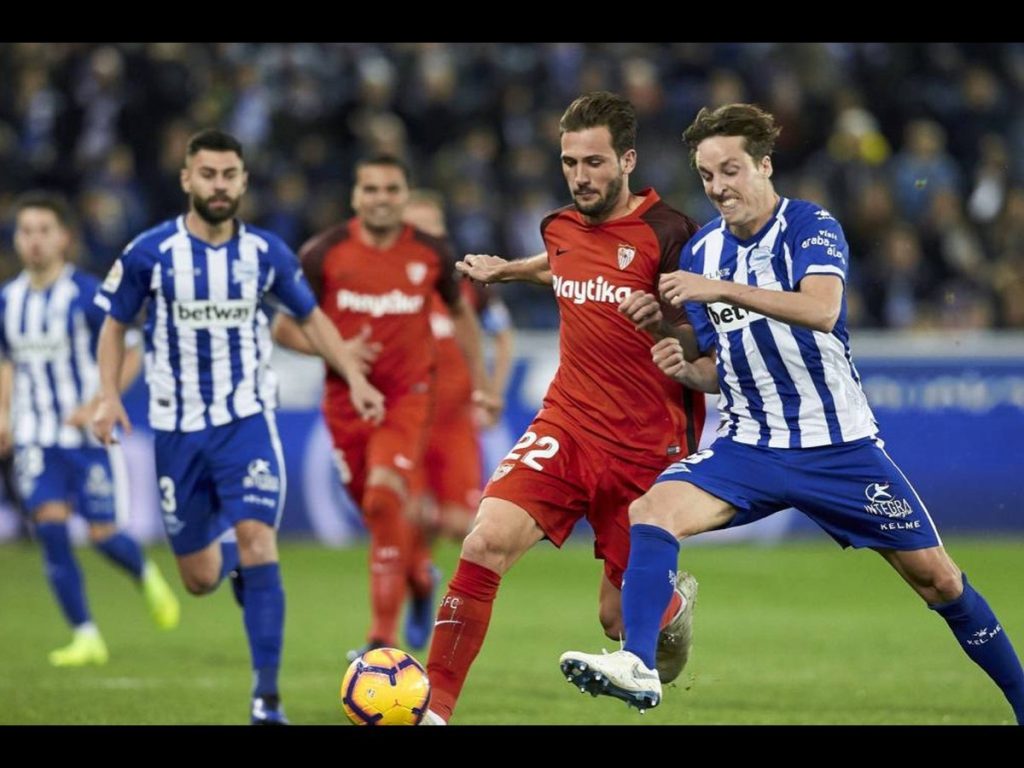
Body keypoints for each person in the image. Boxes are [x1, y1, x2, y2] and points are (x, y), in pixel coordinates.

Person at [559, 103, 1024, 725]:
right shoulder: (701, 253)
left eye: (730, 170)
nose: (719, 187)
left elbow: (822, 309)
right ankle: (640, 663)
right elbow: (722, 362)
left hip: (840, 450)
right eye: (706, 175)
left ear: (764, 165)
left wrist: (718, 291)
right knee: (652, 511)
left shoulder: (810, 225)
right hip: (750, 446)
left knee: (939, 582)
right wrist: (677, 351)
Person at [420, 91, 710, 725]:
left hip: (647, 446)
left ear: (628, 160)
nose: (580, 177)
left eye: (595, 163)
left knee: (615, 619)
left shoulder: (673, 235)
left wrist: (665, 322)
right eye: (569, 163)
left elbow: (710, 333)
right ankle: (434, 710)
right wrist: (509, 272)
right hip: (568, 424)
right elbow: (566, 265)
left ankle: (672, 610)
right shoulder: (557, 226)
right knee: (484, 540)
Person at [92, 129, 384, 725]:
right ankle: (238, 580)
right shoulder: (149, 253)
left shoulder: (267, 255)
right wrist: (106, 396)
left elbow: (313, 318)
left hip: (246, 421)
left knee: (258, 539)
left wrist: (352, 375)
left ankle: (266, 699)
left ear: (243, 181)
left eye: (229, 175)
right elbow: (114, 324)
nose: (219, 186)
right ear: (187, 180)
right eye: (208, 175)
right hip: (176, 429)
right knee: (199, 577)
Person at [272, 156, 490, 661]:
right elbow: (284, 328)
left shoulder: (431, 254)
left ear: (404, 194)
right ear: (355, 197)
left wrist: (482, 382)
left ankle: (380, 640)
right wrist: (339, 353)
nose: (381, 198)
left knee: (384, 498)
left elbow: (462, 315)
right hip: (345, 404)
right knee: (379, 513)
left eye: (391, 188)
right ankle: (416, 579)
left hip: (406, 399)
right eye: (370, 188)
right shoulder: (324, 254)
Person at [0, 191, 180, 667]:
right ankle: (86, 635)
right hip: (37, 437)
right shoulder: (7, 301)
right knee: (51, 530)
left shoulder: (86, 294)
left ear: (64, 238)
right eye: (26, 231)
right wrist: (4, 414)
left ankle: (144, 573)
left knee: (102, 534)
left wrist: (102, 400)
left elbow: (134, 349)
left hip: (87, 438)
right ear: (17, 239)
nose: (35, 241)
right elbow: (6, 363)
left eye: (44, 231)